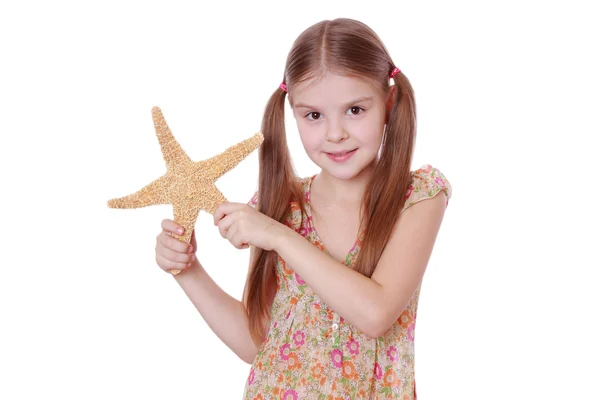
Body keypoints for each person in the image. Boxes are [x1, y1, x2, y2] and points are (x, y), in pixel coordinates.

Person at [155, 17, 452, 400]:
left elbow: (375, 314)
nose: (334, 133)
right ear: (292, 112)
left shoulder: (419, 197)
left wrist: (278, 236)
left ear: (389, 104)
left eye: (355, 110)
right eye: (314, 115)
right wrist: (188, 269)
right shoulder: (279, 205)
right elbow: (257, 342)